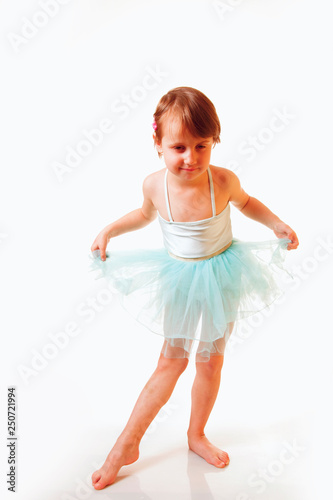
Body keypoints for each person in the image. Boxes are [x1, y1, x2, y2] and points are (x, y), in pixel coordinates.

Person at [89, 86, 299, 490]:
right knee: (171, 360)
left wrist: (275, 223)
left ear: (214, 142)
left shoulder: (222, 181)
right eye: (179, 147)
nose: (190, 158)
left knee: (210, 360)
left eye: (202, 146)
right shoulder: (155, 185)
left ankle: (196, 434)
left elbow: (248, 202)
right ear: (158, 144)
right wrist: (110, 229)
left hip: (224, 274)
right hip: (180, 280)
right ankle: (126, 444)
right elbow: (144, 215)